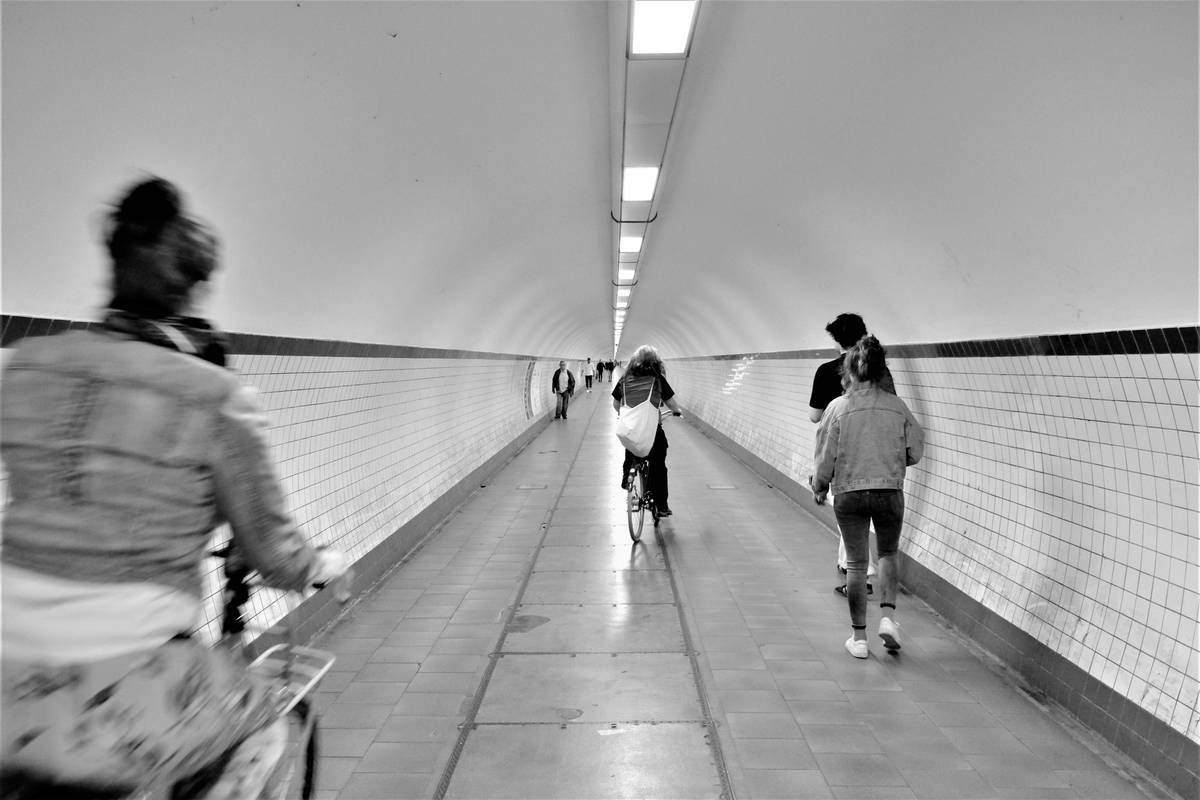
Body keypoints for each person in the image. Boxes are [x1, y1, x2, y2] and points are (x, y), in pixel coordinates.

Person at [0, 176, 351, 797]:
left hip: (9, 671)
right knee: (269, 729)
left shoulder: (25, 364)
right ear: (193, 289)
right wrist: (325, 565)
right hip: (132, 681)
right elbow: (274, 553)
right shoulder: (216, 398)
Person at [811, 335, 924, 659]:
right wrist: (892, 461)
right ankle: (888, 618)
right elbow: (915, 449)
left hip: (849, 493)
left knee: (858, 564)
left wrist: (820, 485)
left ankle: (859, 640)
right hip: (889, 491)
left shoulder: (837, 408)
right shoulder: (897, 406)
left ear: (850, 370)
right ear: (880, 370)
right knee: (888, 554)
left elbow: (825, 457)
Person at [809, 313, 896, 596]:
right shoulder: (881, 372)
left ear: (837, 340)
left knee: (850, 512)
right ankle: (854, 570)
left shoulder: (827, 371)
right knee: (859, 516)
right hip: (878, 451)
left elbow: (814, 417)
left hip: (843, 449)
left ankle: (859, 575)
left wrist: (819, 481)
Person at [612, 345, 683, 516]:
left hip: (629, 429)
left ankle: (626, 476)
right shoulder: (657, 380)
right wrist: (677, 411)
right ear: (656, 363)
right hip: (652, 429)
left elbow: (616, 404)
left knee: (632, 447)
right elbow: (671, 403)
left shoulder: (625, 379)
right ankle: (661, 505)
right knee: (659, 462)